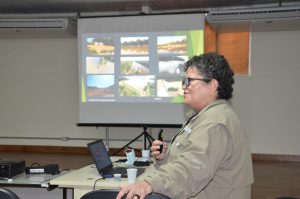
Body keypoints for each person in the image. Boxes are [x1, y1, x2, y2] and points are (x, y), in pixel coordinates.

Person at [116, 52, 254, 199]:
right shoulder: (205, 116)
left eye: (189, 81)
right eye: (184, 81)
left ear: (212, 86)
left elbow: (192, 169)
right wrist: (167, 155)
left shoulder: (214, 123)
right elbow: (194, 158)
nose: (184, 86)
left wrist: (150, 183)